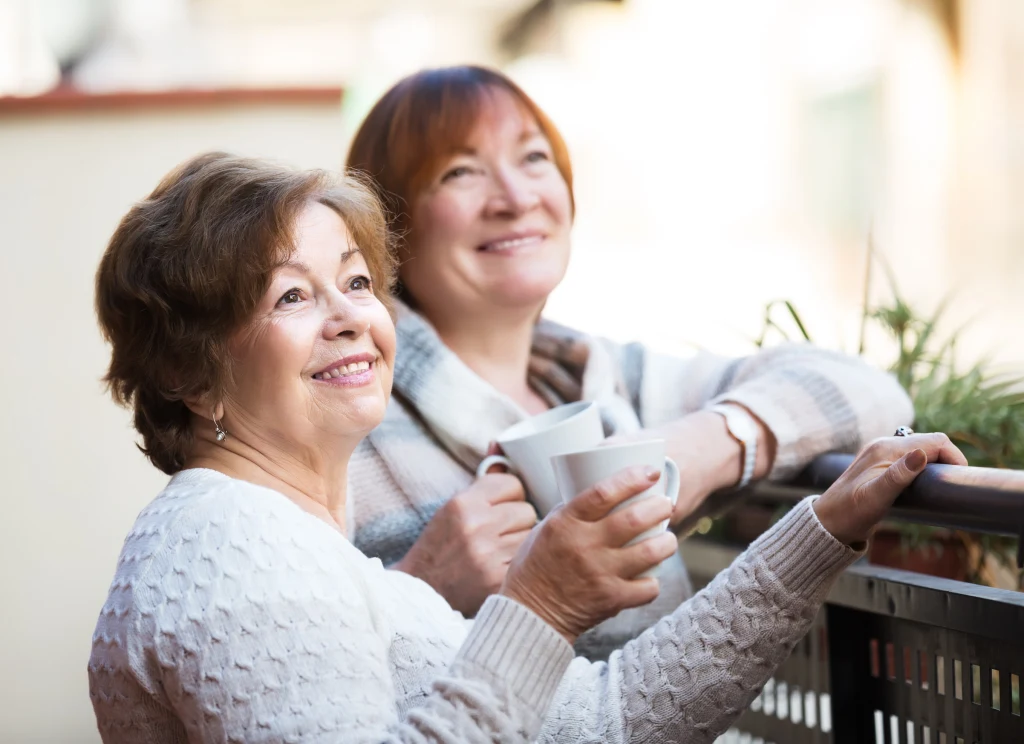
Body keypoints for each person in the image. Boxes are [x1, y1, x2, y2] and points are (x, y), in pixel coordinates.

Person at [87, 152, 964, 743]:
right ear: (190, 374)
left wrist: (823, 529)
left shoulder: (306, 549)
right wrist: (539, 607)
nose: (351, 315)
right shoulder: (228, 542)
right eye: (291, 296)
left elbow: (611, 720)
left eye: (355, 281)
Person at [344, 65, 915, 655]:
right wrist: (421, 584)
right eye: (460, 172)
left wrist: (704, 449)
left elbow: (871, 393)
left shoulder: (599, 381)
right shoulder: (345, 414)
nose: (516, 198)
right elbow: (297, 670)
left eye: (534, 158)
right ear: (386, 227)